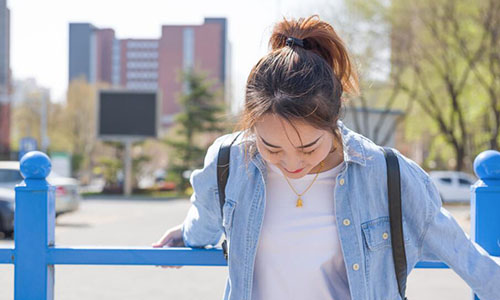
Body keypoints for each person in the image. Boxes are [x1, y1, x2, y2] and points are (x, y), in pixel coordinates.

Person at [152, 15, 500, 300]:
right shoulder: (230, 162)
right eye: (271, 148)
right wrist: (185, 235)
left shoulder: (386, 172)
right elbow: (204, 224)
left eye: (308, 147)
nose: (291, 164)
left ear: (333, 121)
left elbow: (467, 259)